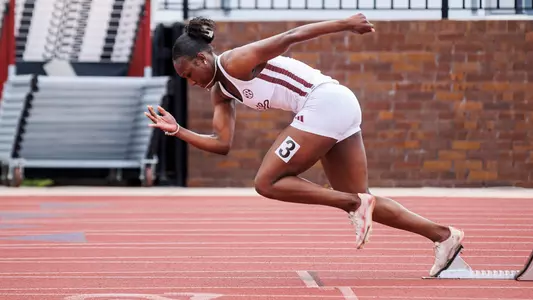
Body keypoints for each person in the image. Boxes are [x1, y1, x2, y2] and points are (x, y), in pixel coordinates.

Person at [144, 14, 465, 277]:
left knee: (267, 182)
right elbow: (222, 144)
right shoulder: (221, 91)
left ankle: (353, 205)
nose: (191, 82)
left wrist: (345, 24)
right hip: (334, 110)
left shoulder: (235, 61)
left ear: (202, 57)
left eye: (189, 73)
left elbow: (290, 37)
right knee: (359, 196)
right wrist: (178, 131)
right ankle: (443, 236)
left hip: (325, 103)